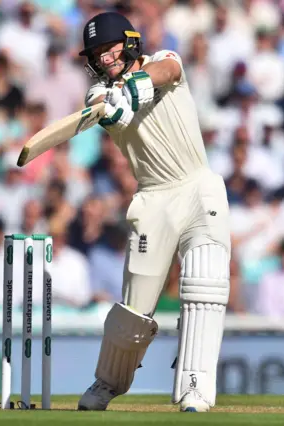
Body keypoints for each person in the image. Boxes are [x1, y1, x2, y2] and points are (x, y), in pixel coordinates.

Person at [75, 12, 231, 413]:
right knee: (133, 311)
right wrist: (106, 105)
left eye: (108, 49)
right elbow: (99, 105)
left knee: (204, 282)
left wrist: (135, 83)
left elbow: (168, 69)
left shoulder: (163, 59)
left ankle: (195, 386)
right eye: (96, 54)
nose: (104, 59)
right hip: (154, 201)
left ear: (128, 43)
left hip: (199, 188)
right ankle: (108, 382)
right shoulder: (99, 94)